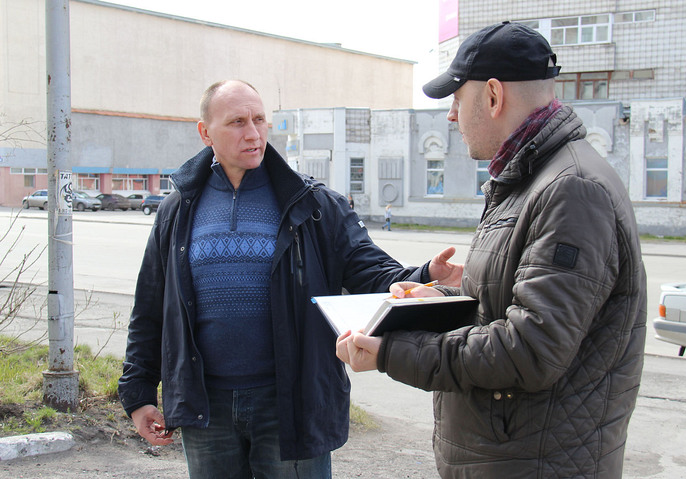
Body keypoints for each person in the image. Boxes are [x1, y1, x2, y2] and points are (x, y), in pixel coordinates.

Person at [337, 22, 647, 478]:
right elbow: (507, 310)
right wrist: (441, 302)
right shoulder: (530, 179)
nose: (450, 116)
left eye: (457, 100)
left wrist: (390, 352)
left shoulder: (571, 190)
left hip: (535, 464)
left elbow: (531, 348)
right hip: (510, 455)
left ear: (494, 96)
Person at [117, 80, 463, 478]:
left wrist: (424, 275)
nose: (253, 133)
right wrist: (138, 394)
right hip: (205, 406)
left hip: (291, 403)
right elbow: (150, 308)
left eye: (259, 119)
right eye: (237, 122)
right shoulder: (178, 210)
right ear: (205, 132)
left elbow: (370, 269)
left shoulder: (312, 204)